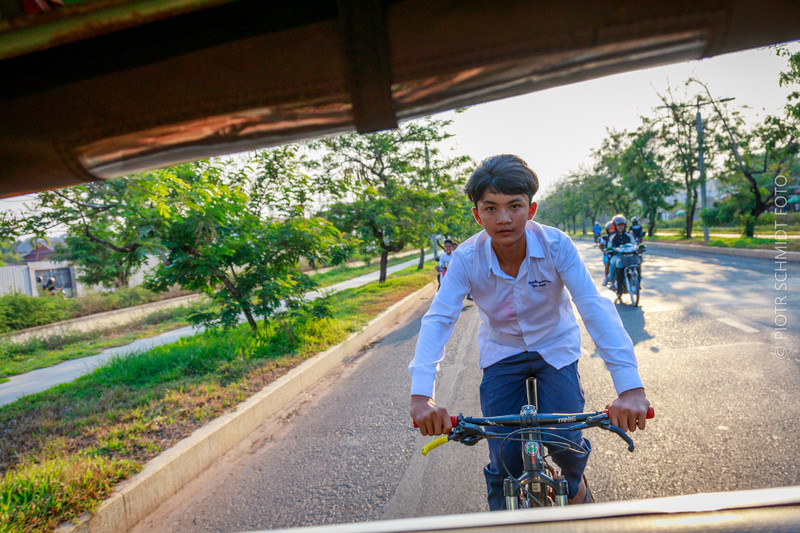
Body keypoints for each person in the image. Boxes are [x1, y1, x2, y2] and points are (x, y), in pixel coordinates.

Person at [409, 155, 650, 510]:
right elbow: (439, 318)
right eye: (490, 208)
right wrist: (421, 397)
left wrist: (630, 389)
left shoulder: (557, 246)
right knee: (503, 453)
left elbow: (593, 306)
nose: (503, 218)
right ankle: (502, 518)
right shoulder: (465, 258)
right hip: (501, 352)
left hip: (555, 347)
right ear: (477, 215)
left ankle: (576, 483)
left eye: (514, 206)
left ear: (531, 209)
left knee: (564, 441)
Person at [605, 215, 638, 291]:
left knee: (638, 262)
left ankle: (637, 281)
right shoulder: (612, 237)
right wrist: (611, 249)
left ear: (625, 225)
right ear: (615, 226)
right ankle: (612, 282)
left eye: (622, 225)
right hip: (617, 256)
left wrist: (637, 247)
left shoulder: (629, 235)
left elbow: (634, 244)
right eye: (618, 225)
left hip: (629, 255)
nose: (620, 227)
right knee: (612, 263)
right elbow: (609, 246)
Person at [600, 221, 614, 286]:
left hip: (616, 254)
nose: (612, 230)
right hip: (608, 254)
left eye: (613, 228)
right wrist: (605, 251)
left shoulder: (616, 236)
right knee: (607, 262)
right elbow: (600, 246)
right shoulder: (605, 238)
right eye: (610, 229)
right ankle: (606, 277)